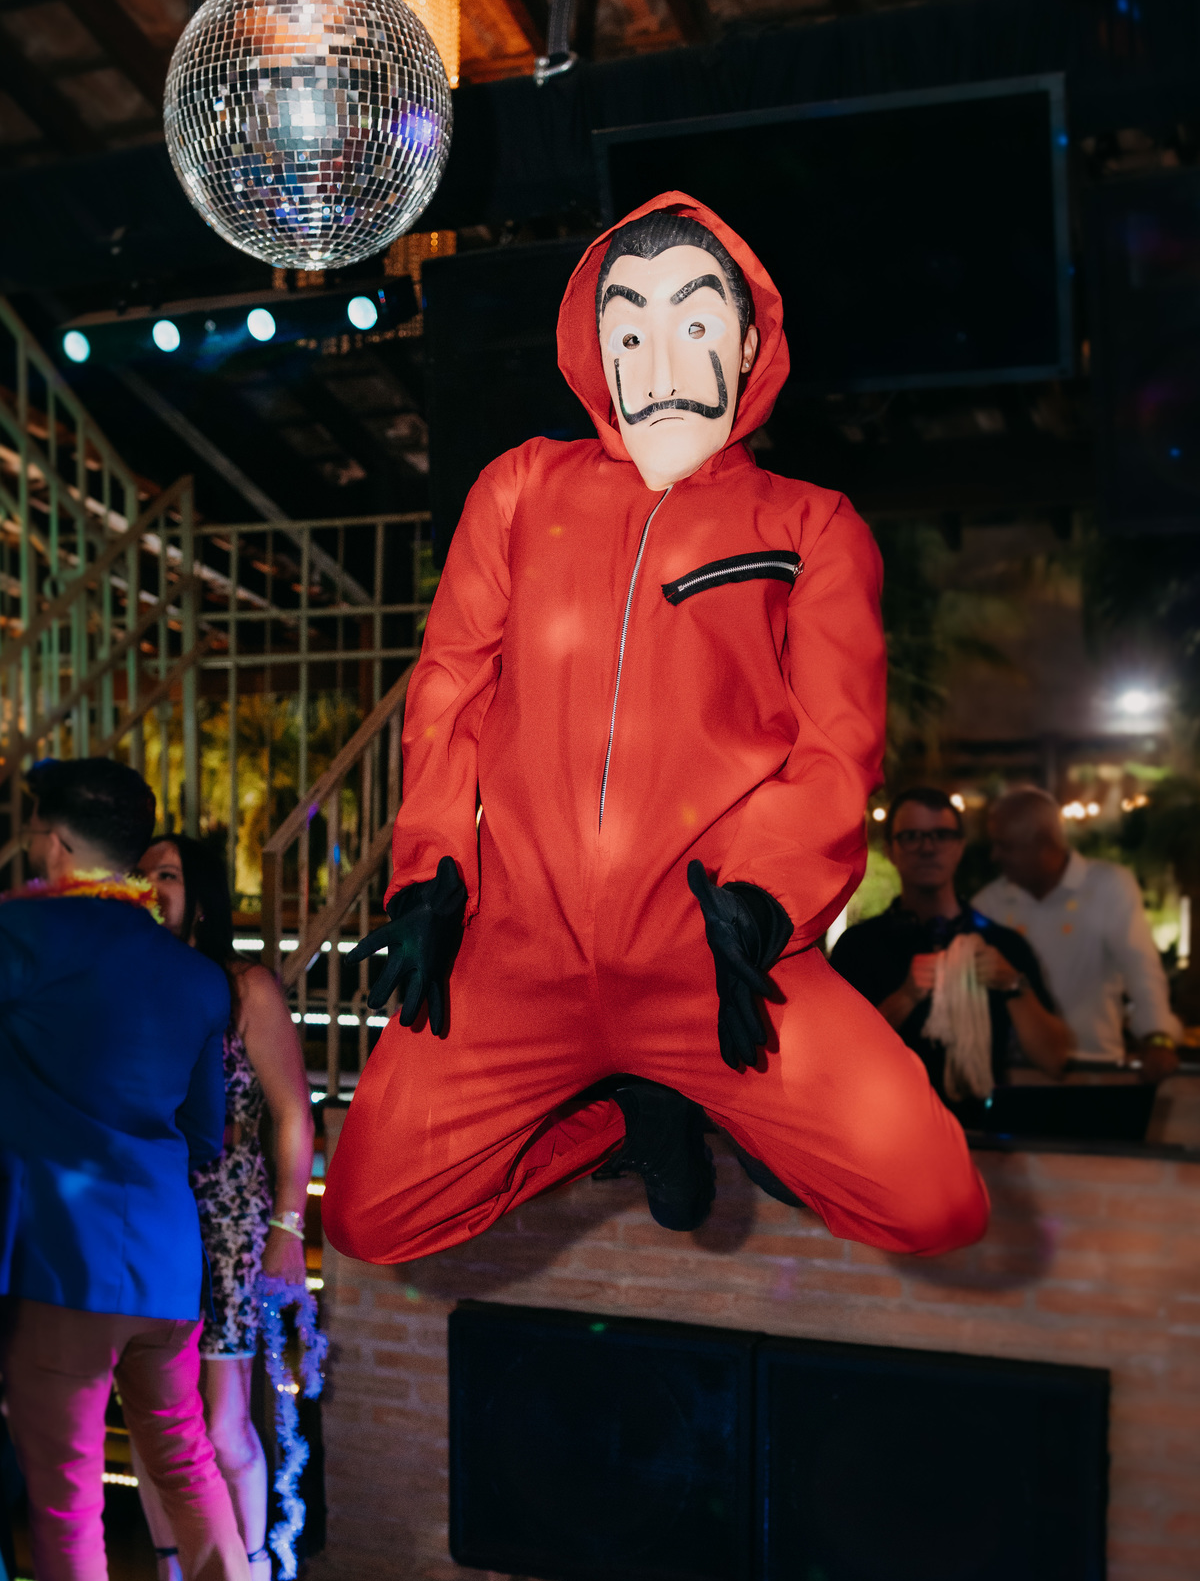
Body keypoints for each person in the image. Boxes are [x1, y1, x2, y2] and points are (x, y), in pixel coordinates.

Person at [323, 192, 988, 1270]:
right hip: (516, 956)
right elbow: (448, 690)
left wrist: (765, 899)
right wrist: (430, 873)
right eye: (628, 334)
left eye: (695, 322)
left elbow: (837, 745)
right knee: (369, 1217)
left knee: (936, 1202)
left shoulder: (810, 525)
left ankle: (706, 1097)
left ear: (749, 342)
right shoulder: (519, 489)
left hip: (713, 959)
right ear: (596, 356)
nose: (661, 363)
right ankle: (626, 1111)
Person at [0, 759, 286, 1581]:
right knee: (186, 1461)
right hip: (166, 1260)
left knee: (68, 1495)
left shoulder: (25, 934)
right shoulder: (195, 977)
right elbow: (206, 1132)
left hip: (60, 1261)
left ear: (52, 843)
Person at [131, 836, 313, 1581]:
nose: (149, 886)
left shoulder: (246, 989)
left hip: (229, 1216)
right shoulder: (129, 985)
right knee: (152, 1420)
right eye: (141, 873)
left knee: (225, 1422)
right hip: (148, 1211)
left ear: (199, 897)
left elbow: (293, 1112)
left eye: (166, 874)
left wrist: (288, 1225)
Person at [830, 788, 1073, 1117]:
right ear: (890, 850)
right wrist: (905, 998)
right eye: (912, 836)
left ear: (959, 847)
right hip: (887, 1129)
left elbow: (1054, 1060)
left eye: (941, 835)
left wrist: (1013, 984)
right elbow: (837, 1061)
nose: (928, 847)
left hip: (981, 1130)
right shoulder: (858, 946)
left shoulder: (1002, 944)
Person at [973, 786, 1182, 1081]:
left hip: (1098, 1067)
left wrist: (1157, 1035)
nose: (995, 856)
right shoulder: (989, 903)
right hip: (1017, 1072)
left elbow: (1141, 967)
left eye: (1006, 846)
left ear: (1043, 844)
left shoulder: (1108, 886)